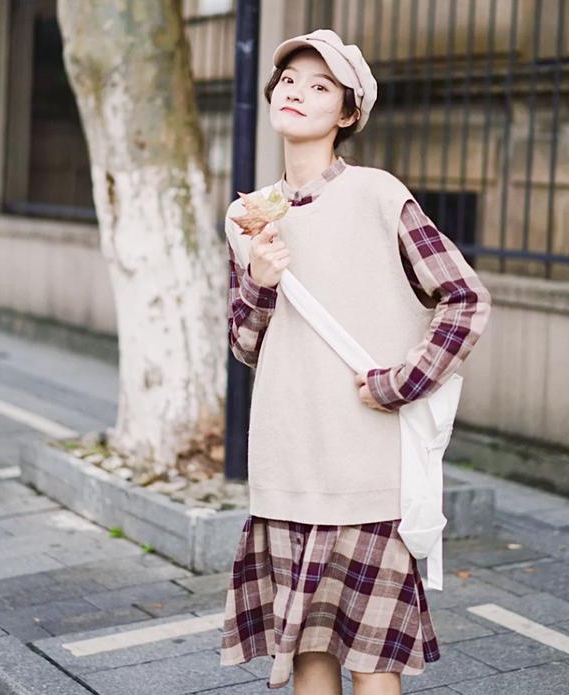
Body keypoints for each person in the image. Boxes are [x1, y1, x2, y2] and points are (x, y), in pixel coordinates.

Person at [220, 29, 492, 694]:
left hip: (366, 467)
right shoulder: (247, 216)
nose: (296, 92)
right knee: (309, 655)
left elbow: (465, 300)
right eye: (289, 80)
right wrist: (258, 280)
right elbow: (246, 345)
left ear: (347, 114)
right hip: (286, 462)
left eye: (320, 86)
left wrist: (400, 383)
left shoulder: (378, 194)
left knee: (373, 661)